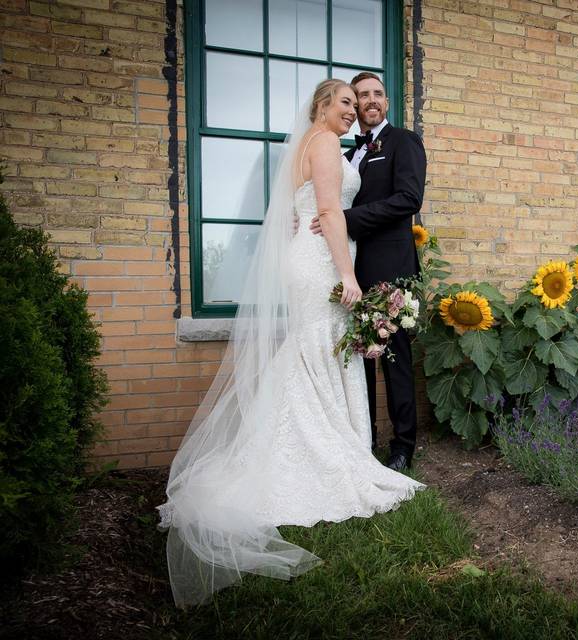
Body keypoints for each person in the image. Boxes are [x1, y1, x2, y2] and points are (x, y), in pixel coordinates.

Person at [157, 79, 423, 608]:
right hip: (325, 259)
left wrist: (326, 241)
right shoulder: (326, 143)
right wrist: (346, 274)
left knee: (316, 350)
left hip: (315, 253)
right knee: (319, 350)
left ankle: (343, 444)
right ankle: (325, 452)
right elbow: (328, 213)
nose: (354, 109)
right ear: (322, 107)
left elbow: (328, 210)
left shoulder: (332, 143)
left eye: (361, 101)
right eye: (346, 101)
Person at [310, 72, 427, 472]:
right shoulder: (347, 155)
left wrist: (346, 219)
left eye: (379, 93)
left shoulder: (403, 142)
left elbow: (408, 199)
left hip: (390, 268)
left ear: (387, 102)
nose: (372, 100)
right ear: (354, 105)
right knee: (359, 359)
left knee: (394, 358)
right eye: (362, 95)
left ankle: (403, 447)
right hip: (352, 270)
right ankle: (365, 438)